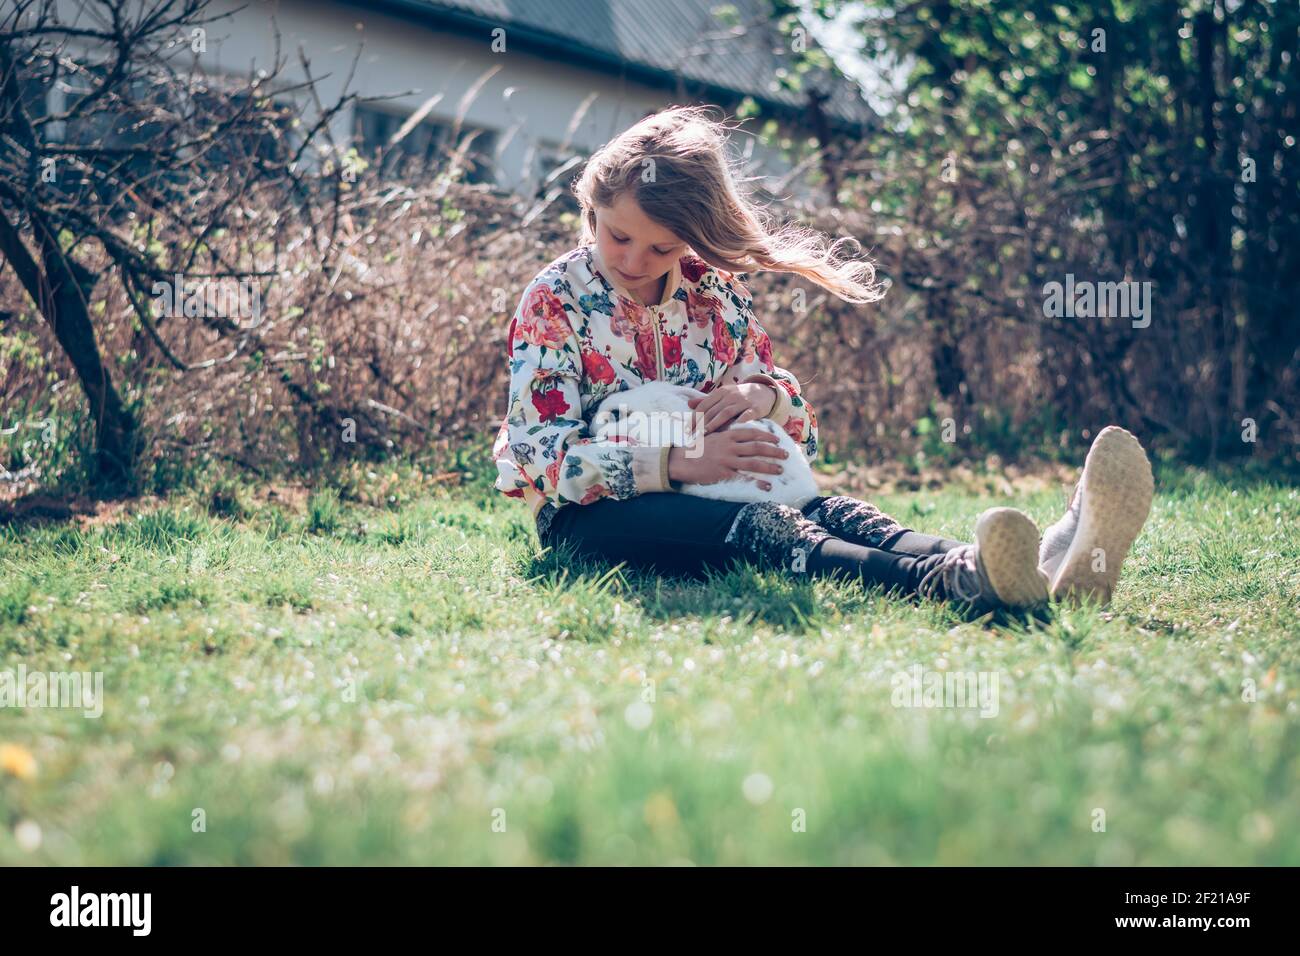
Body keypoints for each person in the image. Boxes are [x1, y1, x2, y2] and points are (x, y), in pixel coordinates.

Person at [492, 106, 1153, 614]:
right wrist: (674, 460)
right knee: (766, 528)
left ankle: (1039, 562)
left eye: (662, 249)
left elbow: (796, 422)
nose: (634, 262)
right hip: (591, 516)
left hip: (722, 483)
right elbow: (537, 453)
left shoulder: (715, 294)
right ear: (590, 205)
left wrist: (763, 397)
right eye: (619, 236)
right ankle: (958, 583)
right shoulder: (555, 300)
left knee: (834, 512)